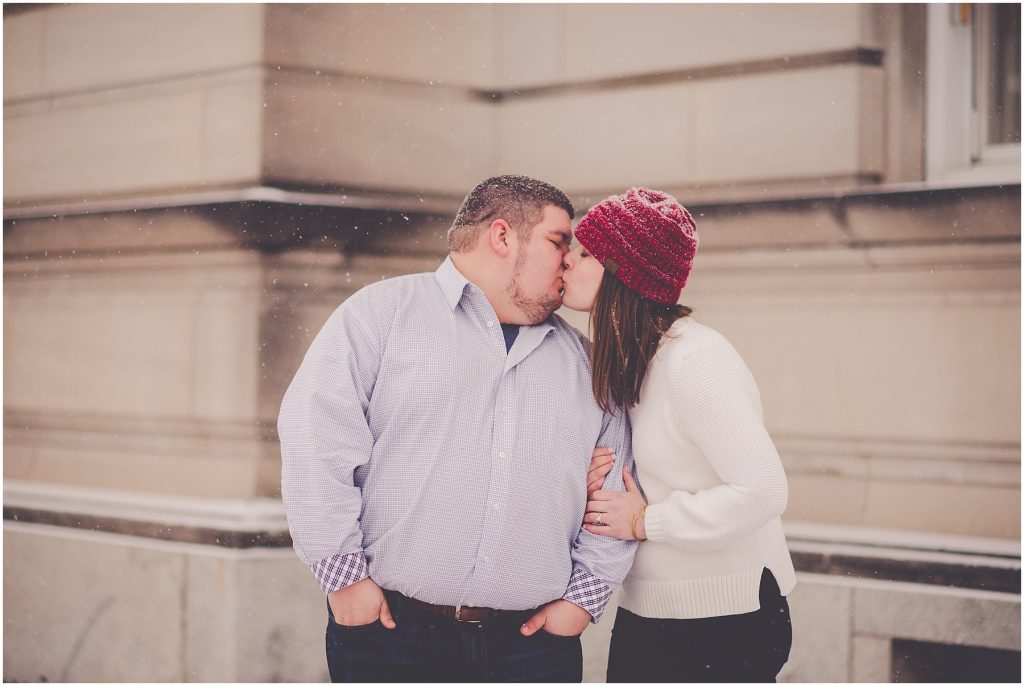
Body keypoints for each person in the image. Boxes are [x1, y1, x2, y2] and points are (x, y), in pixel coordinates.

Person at [277, 175, 637, 683]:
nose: (570, 261)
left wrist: (583, 600)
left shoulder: (586, 362)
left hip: (532, 651)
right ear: (503, 236)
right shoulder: (381, 316)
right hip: (392, 636)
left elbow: (619, 487)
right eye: (559, 241)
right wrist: (343, 581)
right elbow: (317, 442)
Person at [561, 188, 796, 682]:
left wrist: (649, 521)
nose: (567, 260)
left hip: (724, 619)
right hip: (651, 613)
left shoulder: (694, 363)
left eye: (585, 253)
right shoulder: (630, 360)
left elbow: (764, 491)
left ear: (624, 274)